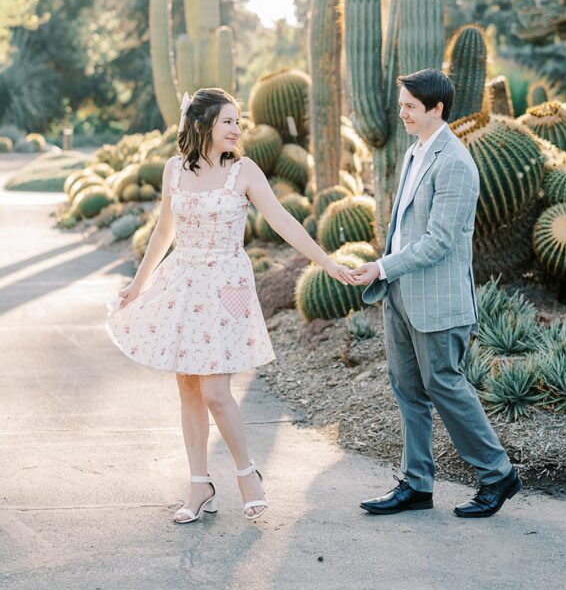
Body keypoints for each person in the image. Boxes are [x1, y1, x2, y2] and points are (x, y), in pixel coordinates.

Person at [106, 87, 354, 525]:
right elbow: (164, 232)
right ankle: (199, 482)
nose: (238, 129)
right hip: (183, 283)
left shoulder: (244, 171)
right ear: (202, 125)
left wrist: (327, 262)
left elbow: (282, 220)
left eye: (238, 122)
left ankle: (246, 474)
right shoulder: (173, 170)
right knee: (187, 387)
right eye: (229, 121)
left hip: (225, 286)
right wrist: (138, 284)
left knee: (217, 392)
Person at [351, 68, 521, 519]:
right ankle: (417, 483)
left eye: (409, 106)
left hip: (439, 302)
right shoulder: (414, 153)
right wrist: (387, 273)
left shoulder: (456, 163)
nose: (401, 113)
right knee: (408, 390)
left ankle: (497, 474)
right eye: (401, 104)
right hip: (401, 294)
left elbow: (439, 240)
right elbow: (403, 227)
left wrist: (381, 266)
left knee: (444, 385)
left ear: (436, 109)